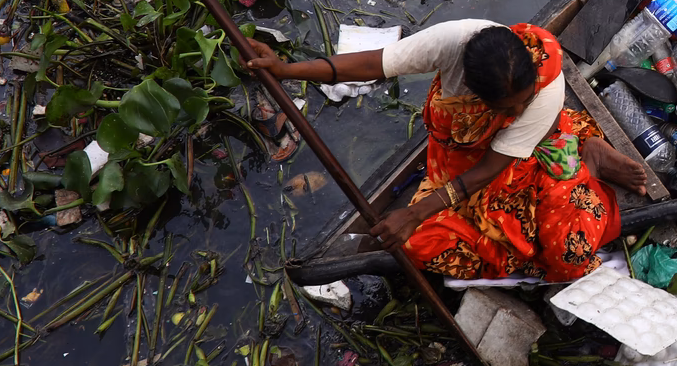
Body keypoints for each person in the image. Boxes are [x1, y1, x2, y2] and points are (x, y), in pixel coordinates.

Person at [243, 20, 651, 281]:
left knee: (566, 258)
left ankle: (585, 154)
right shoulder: (454, 42)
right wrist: (287, 69)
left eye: (519, 103)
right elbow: (370, 66)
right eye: (502, 109)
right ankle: (581, 150)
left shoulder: (545, 89)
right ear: (473, 91)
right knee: (419, 245)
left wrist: (415, 211)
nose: (514, 111)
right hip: (455, 163)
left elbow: (486, 171)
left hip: (512, 160)